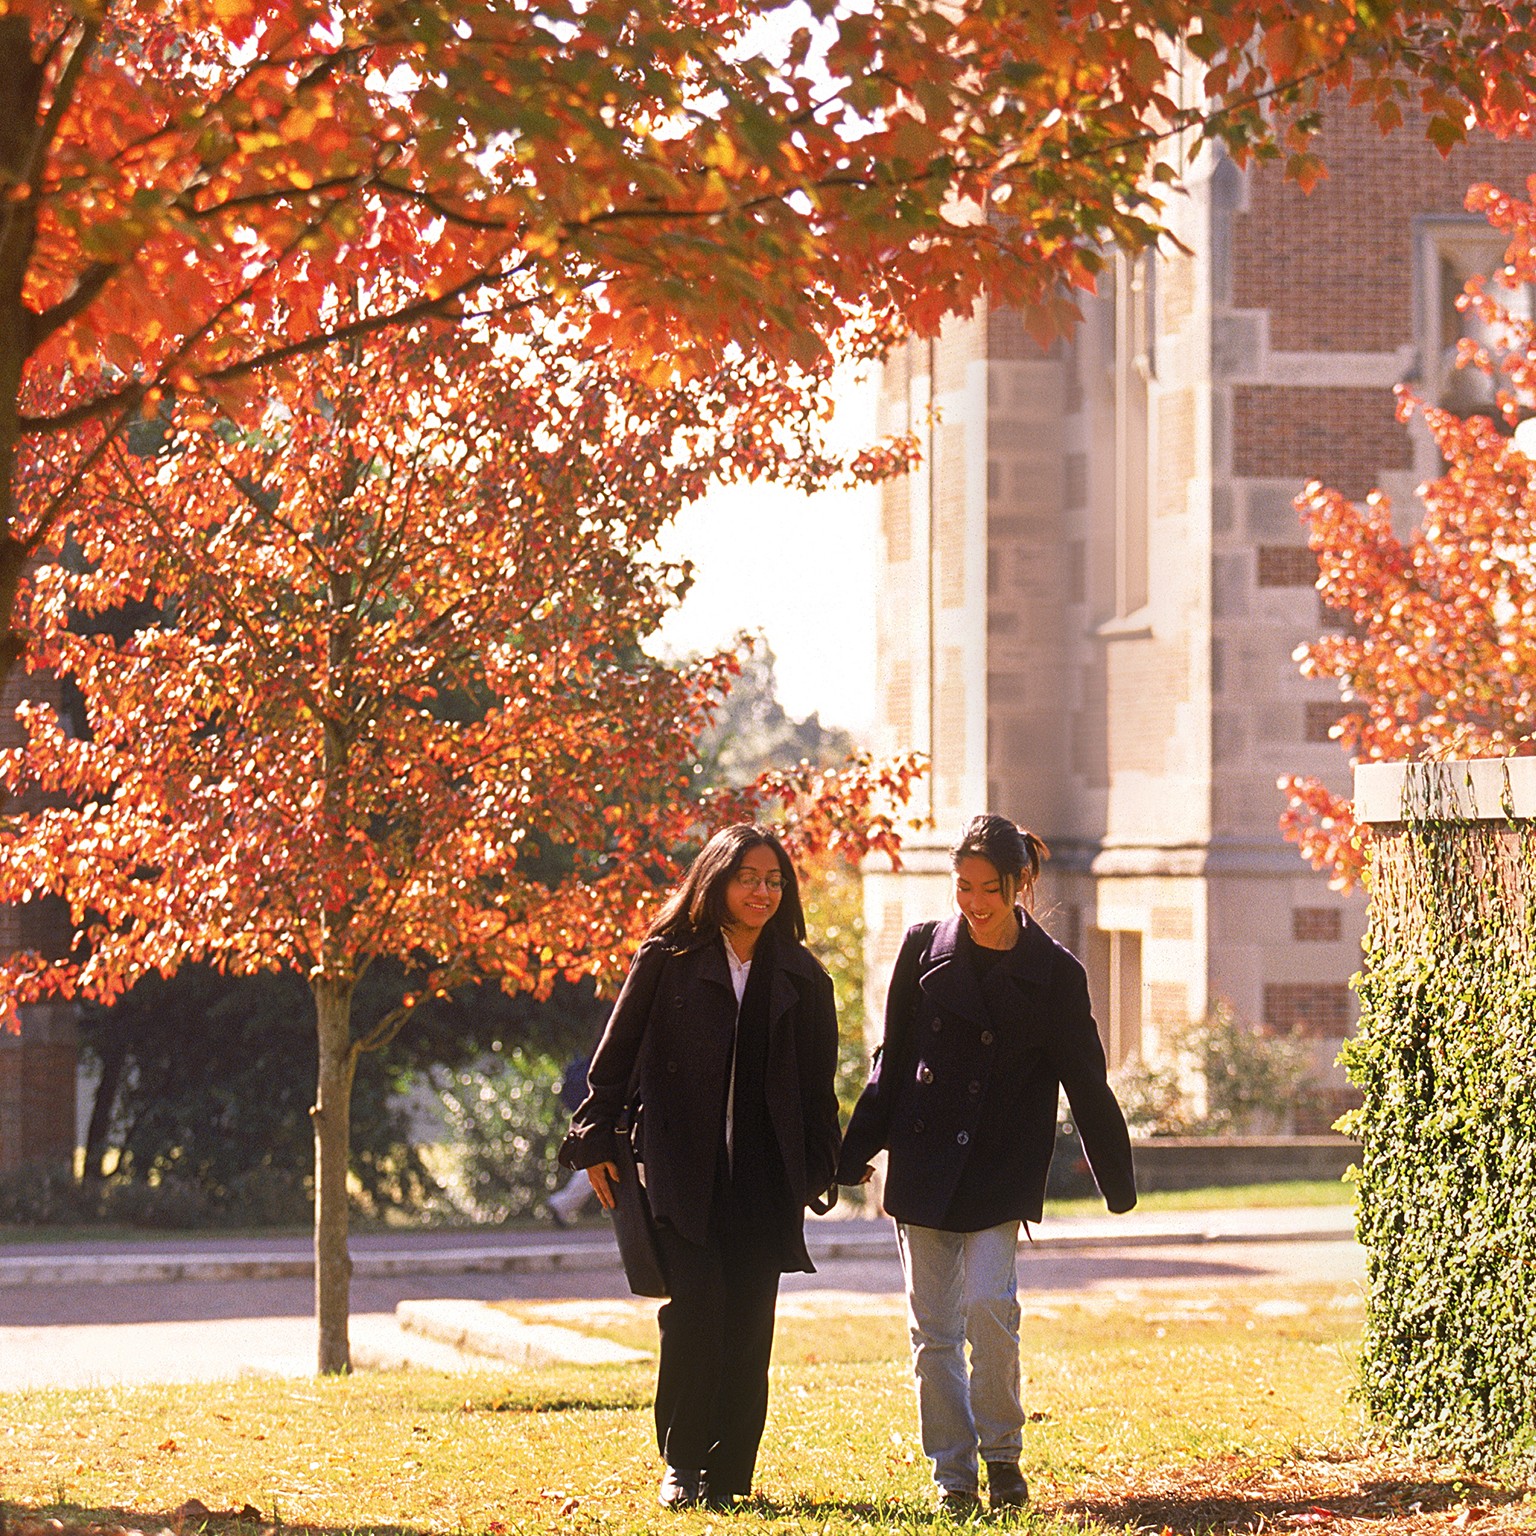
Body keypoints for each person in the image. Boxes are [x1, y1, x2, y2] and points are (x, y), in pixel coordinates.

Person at [836, 814, 1137, 1515]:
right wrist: (850, 1155)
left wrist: (1116, 1179)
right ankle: (954, 1477)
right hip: (922, 1164)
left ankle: (1002, 1456)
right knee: (933, 1332)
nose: (973, 903)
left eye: (988, 890)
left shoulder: (1056, 975)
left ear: (1020, 883)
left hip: (1001, 1169)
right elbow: (892, 1063)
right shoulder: (922, 950)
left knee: (989, 1309)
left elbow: (1087, 1082)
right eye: (962, 887)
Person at [558, 824, 841, 1510]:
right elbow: (614, 1059)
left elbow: (817, 1089)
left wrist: (826, 1166)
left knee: (749, 1324)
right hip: (682, 1171)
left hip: (765, 1179)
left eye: (774, 880)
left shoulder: (804, 976)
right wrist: (592, 1139)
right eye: (748, 877)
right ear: (716, 880)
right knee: (696, 1312)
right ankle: (683, 1463)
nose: (762, 892)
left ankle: (732, 1476)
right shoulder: (668, 959)